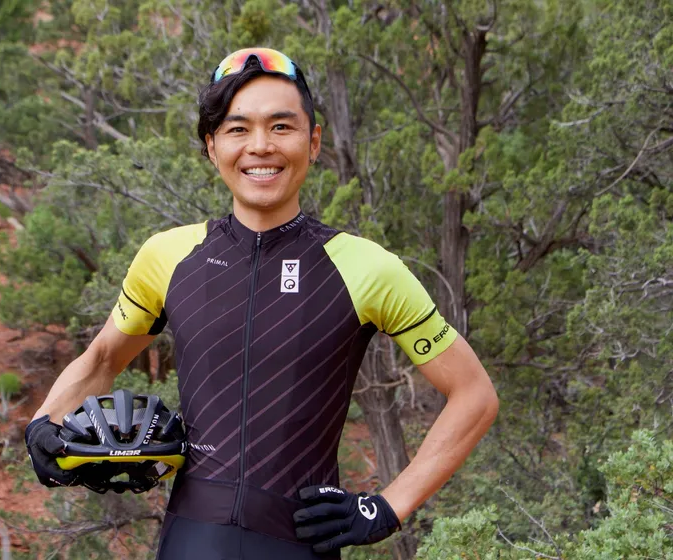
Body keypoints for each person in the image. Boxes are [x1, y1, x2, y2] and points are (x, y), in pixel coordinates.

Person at [25, 47, 499, 559]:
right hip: (190, 540)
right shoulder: (168, 255)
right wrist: (43, 424)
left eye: (281, 126)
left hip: (300, 543)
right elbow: (102, 358)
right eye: (237, 129)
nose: (260, 146)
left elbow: (474, 394)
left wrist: (386, 507)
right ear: (212, 147)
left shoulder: (366, 267)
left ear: (313, 142)